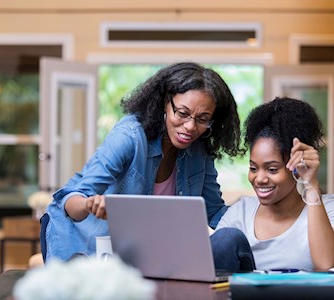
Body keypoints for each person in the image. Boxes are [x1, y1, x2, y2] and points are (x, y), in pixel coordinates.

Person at [41, 62, 244, 262]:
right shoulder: (129, 136)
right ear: (165, 102)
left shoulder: (199, 149)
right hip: (82, 243)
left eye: (202, 119)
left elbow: (214, 212)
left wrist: (257, 215)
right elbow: (71, 201)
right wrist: (89, 204)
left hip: (140, 249)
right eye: (182, 113)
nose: (190, 126)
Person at [215, 97, 334, 271]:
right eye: (253, 168)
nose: (260, 178)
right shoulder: (240, 213)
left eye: (272, 169)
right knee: (225, 238)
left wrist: (311, 182)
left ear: (295, 167)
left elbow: (326, 266)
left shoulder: (328, 209)